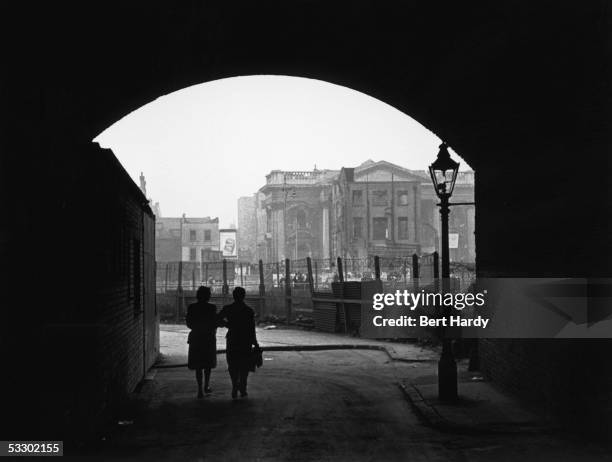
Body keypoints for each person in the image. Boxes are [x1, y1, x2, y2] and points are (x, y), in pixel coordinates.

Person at [217, 287, 259, 399]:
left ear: (233, 296)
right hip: (245, 340)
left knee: (233, 363)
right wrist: (255, 342)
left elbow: (218, 319)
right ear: (244, 296)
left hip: (233, 338)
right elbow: (251, 328)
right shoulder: (248, 311)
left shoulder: (228, 309)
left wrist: (227, 325)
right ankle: (243, 387)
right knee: (244, 364)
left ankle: (235, 385)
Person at [186, 286, 217, 398]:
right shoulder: (212, 308)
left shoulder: (192, 307)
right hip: (208, 338)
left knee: (198, 364)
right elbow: (214, 322)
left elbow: (189, 323)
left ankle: (199, 389)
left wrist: (198, 327)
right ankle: (206, 385)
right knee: (207, 363)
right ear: (208, 296)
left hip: (196, 337)